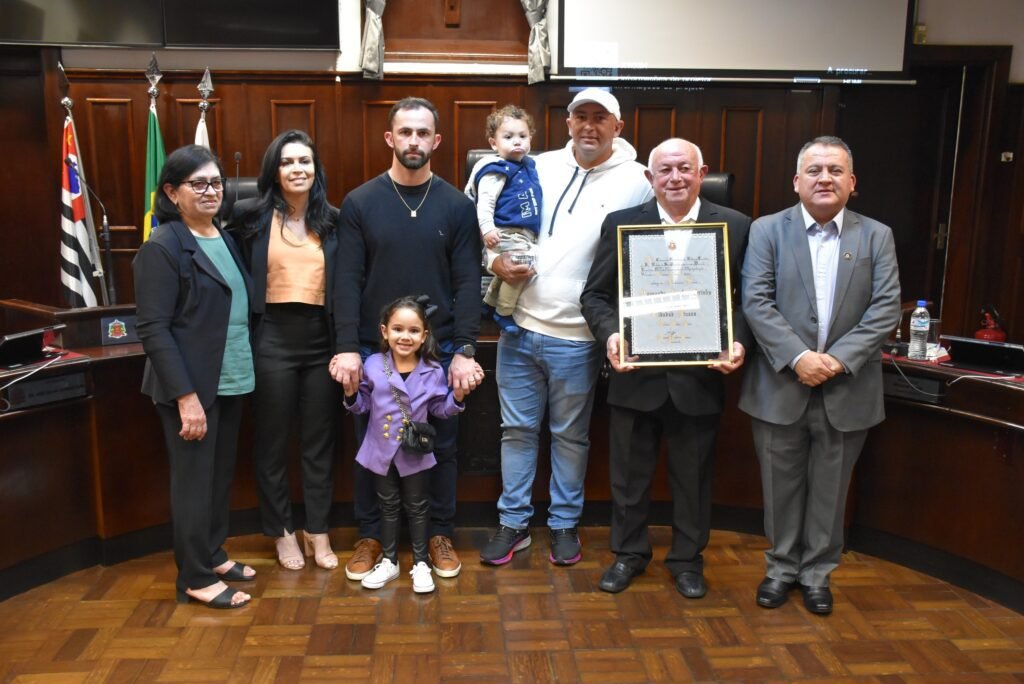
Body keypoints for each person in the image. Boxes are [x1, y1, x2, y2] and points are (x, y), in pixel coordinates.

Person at [479, 88, 654, 566]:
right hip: (518, 328)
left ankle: (562, 525)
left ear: (618, 127)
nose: (589, 127)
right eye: (581, 117)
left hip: (579, 338)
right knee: (515, 432)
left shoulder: (639, 181)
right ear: (568, 123)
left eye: (601, 118)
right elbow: (491, 218)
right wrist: (493, 260)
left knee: (570, 437)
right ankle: (513, 523)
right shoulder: (536, 164)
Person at [580, 138, 752, 597]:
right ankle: (629, 555)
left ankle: (687, 561)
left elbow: (747, 302)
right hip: (635, 376)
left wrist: (738, 341)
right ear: (649, 177)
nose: (675, 178)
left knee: (694, 480)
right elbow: (594, 296)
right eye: (665, 170)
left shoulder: (735, 227)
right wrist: (613, 335)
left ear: (702, 172)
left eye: (684, 169)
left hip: (700, 377)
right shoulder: (621, 226)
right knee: (629, 479)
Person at [739, 136, 901, 615]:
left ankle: (817, 575)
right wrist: (798, 357)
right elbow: (757, 302)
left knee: (831, 491)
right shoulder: (767, 230)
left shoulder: (877, 236)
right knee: (780, 485)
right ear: (797, 181)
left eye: (835, 170)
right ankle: (780, 568)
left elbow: (886, 306)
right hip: (780, 385)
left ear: (852, 182)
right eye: (814, 170)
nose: (824, 178)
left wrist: (836, 359)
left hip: (847, 387)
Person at [331, 97, 484, 581]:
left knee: (441, 444)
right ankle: (373, 535)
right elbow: (347, 280)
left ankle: (438, 532)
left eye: (423, 133)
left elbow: (466, 282)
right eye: (405, 132)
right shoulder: (360, 202)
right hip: (374, 349)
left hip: (435, 353)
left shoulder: (458, 205)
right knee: (369, 444)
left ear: (436, 141)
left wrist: (464, 351)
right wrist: (347, 347)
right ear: (390, 139)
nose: (413, 141)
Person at [133, 145, 255, 609]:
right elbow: (154, 329)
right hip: (191, 387)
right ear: (171, 191)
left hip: (229, 376)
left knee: (218, 477)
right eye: (198, 184)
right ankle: (196, 575)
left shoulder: (221, 236)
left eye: (216, 183)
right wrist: (186, 397)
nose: (210, 191)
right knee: (192, 484)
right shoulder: (163, 246)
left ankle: (214, 553)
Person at [226, 130, 342, 572]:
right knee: (272, 442)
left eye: (306, 162)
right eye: (288, 161)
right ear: (274, 169)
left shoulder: (332, 220)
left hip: (320, 340)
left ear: (316, 170)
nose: (298, 169)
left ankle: (318, 529)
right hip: (271, 338)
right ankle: (281, 532)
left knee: (319, 442)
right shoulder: (249, 216)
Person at [343, 297, 477, 593]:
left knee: (418, 507)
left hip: (413, 452)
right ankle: (390, 561)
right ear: (384, 331)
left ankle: (420, 563)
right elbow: (362, 406)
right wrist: (351, 394)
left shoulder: (432, 370)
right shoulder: (374, 364)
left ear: (424, 335)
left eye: (414, 330)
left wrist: (458, 397)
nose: (405, 336)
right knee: (388, 506)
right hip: (380, 451)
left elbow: (441, 410)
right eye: (398, 329)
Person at [464, 104, 542, 333]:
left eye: (522, 136)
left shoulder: (529, 167)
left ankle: (489, 303)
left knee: (510, 270)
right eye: (508, 137)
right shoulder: (495, 169)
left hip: (523, 233)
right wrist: (487, 230)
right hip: (505, 232)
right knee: (521, 269)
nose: (517, 141)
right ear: (493, 143)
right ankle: (503, 312)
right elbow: (485, 203)